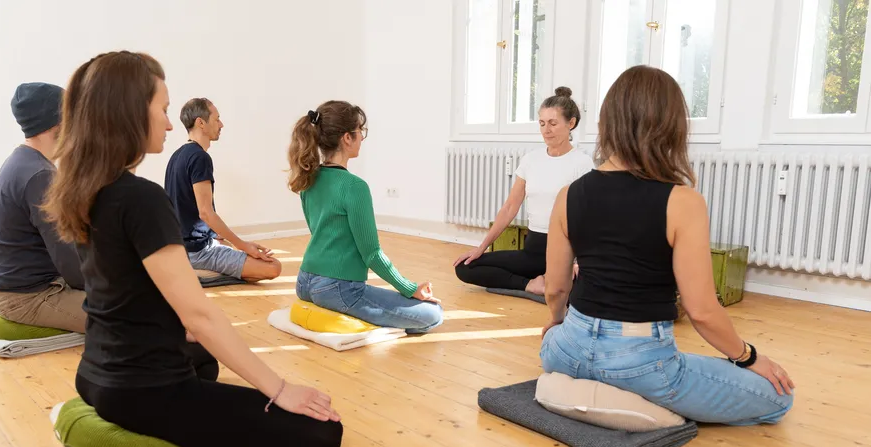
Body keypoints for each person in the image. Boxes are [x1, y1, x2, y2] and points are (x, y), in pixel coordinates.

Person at [41, 51, 342, 447]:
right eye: (162, 108)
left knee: (203, 361)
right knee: (324, 433)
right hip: (138, 392)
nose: (168, 122)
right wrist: (281, 390)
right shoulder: (141, 199)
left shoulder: (84, 190)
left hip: (94, 374)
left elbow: (122, 291)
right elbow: (200, 316)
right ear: (129, 112)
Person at [540, 65, 794, 425]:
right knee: (779, 397)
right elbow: (702, 311)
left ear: (608, 121)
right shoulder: (683, 201)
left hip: (564, 353)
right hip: (640, 360)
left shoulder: (568, 195)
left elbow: (556, 288)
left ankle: (588, 389)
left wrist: (556, 325)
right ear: (669, 126)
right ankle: (637, 399)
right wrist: (749, 357)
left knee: (554, 342)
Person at [287, 101, 443, 334]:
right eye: (361, 131)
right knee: (432, 315)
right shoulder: (354, 187)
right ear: (347, 138)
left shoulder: (308, 179)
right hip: (336, 289)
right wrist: (410, 288)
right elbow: (372, 254)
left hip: (304, 282)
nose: (362, 137)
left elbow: (318, 232)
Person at [454, 87, 593, 296]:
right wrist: (481, 247)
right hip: (534, 251)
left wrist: (577, 261)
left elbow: (588, 217)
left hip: (565, 253)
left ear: (571, 123)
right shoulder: (531, 160)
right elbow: (510, 207)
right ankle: (531, 285)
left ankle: (552, 282)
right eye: (542, 123)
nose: (546, 130)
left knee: (593, 285)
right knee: (464, 267)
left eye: (553, 123)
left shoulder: (582, 163)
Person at [0, 82, 87, 333]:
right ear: (58, 125)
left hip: (21, 288)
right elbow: (71, 263)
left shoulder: (25, 162)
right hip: (27, 298)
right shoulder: (39, 175)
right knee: (133, 312)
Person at [164, 98, 281, 282]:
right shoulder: (200, 158)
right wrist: (243, 246)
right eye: (217, 119)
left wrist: (216, 236)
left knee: (223, 242)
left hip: (181, 247)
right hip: (196, 253)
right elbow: (205, 213)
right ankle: (198, 272)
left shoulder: (177, 156)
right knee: (273, 267)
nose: (221, 124)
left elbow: (184, 207)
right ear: (200, 123)